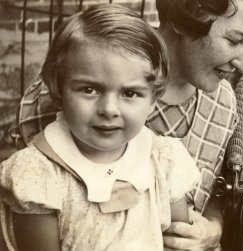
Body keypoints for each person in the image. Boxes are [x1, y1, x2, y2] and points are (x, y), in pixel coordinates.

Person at [9, 0, 243, 249]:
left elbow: (218, 189)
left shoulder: (224, 104)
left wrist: (214, 227)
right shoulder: (63, 92)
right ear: (186, 19)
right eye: (234, 40)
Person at [0, 4, 200, 251]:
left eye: (130, 93)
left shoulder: (163, 161)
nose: (109, 109)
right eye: (89, 90)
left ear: (153, 100)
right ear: (58, 90)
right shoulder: (39, 176)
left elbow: (180, 242)